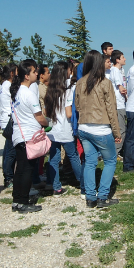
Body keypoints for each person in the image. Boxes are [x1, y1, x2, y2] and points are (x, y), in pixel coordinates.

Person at [76, 50, 121, 208]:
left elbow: (77, 106)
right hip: (101, 128)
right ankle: (102, 196)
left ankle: (90, 198)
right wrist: (117, 132)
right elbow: (111, 109)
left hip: (83, 127)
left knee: (89, 162)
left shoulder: (80, 82)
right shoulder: (104, 82)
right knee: (110, 161)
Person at [10, 61, 48, 213]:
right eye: (33, 72)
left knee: (20, 169)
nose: (36, 74)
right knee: (27, 170)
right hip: (29, 136)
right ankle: (23, 202)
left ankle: (17, 200)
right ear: (26, 76)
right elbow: (39, 117)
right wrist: (48, 122)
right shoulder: (28, 94)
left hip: (19, 135)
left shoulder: (17, 92)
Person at [44, 61, 84, 196]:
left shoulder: (50, 89)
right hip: (65, 129)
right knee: (73, 156)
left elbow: (47, 113)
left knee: (53, 159)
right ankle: (82, 182)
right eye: (69, 70)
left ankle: (55, 186)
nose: (70, 72)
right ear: (64, 72)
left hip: (53, 131)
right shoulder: (68, 89)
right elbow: (68, 113)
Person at [0, 63, 17, 188]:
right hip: (9, 119)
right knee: (11, 151)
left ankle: (7, 174)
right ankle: (9, 177)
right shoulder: (8, 85)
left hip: (5, 118)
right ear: (12, 73)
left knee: (7, 149)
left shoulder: (4, 84)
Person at [109, 50, 127, 156]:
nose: (125, 59)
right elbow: (121, 89)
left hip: (120, 104)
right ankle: (115, 153)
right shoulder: (115, 71)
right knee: (121, 130)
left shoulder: (119, 71)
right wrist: (128, 97)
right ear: (117, 60)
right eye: (123, 57)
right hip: (118, 104)